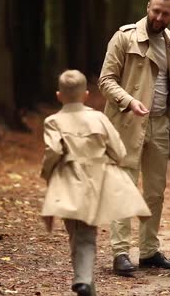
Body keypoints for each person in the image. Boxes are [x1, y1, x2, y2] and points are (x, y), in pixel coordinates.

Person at [40, 70, 151, 295]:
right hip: (95, 182)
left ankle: (83, 280)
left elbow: (52, 151)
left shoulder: (53, 121)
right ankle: (85, 283)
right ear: (86, 95)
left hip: (68, 182)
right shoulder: (99, 118)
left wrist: (47, 174)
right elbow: (119, 151)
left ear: (59, 95)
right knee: (86, 235)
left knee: (76, 234)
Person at [98, 0, 170, 276]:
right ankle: (120, 253)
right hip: (128, 123)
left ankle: (148, 251)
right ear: (148, 6)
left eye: (166, 13)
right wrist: (129, 101)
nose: (159, 17)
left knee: (155, 192)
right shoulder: (123, 37)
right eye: (156, 10)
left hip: (160, 124)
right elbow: (105, 80)